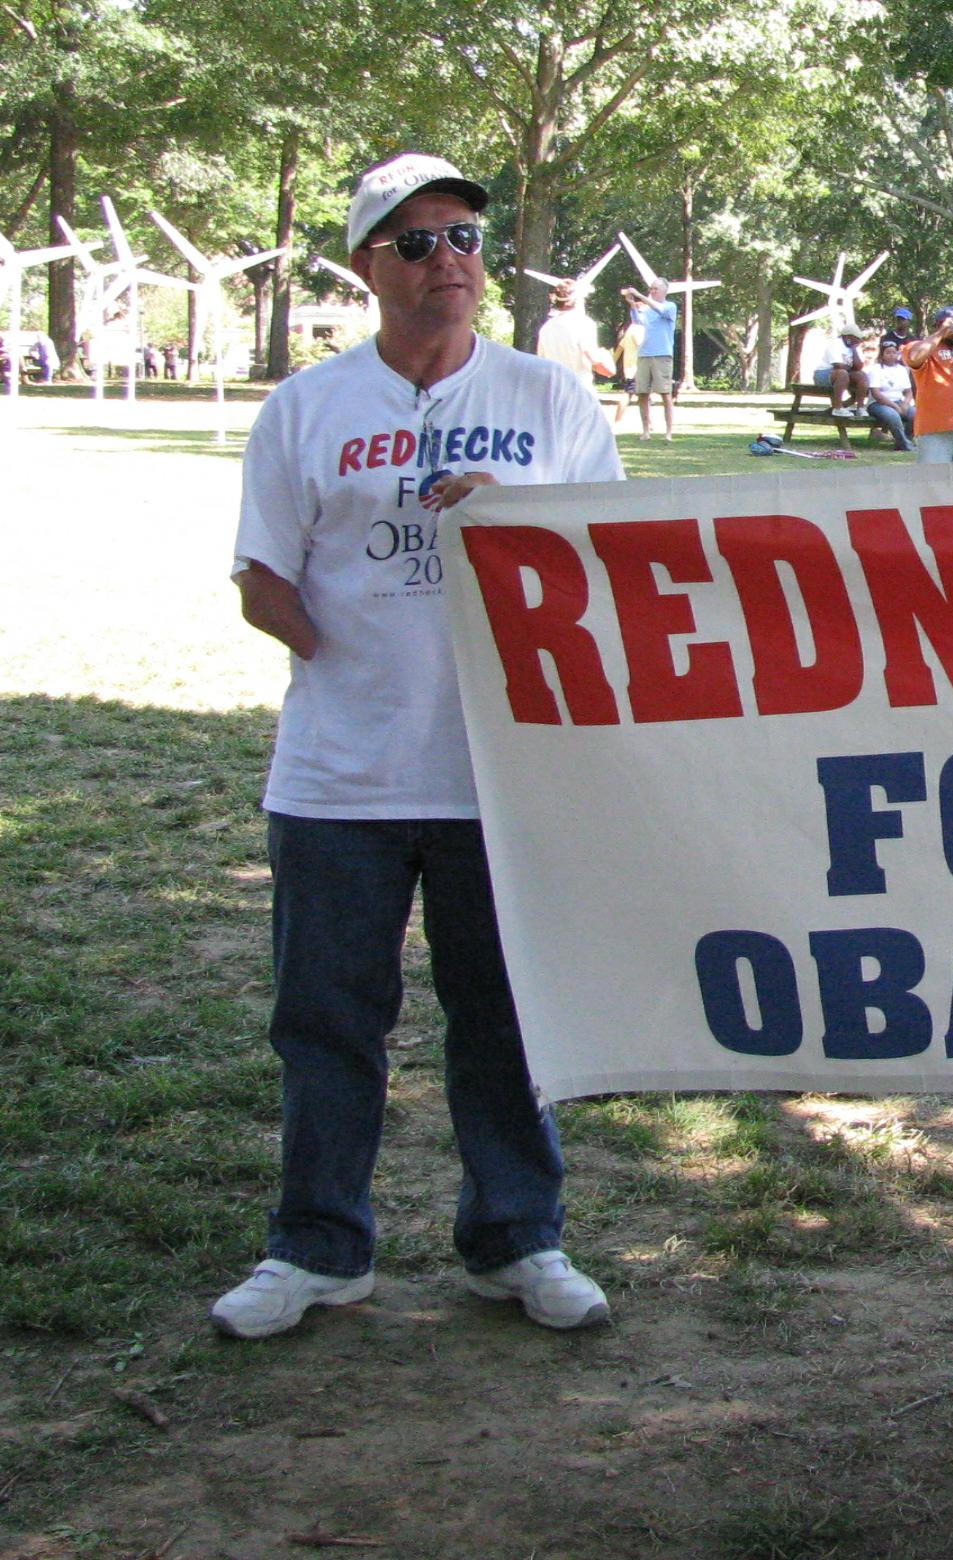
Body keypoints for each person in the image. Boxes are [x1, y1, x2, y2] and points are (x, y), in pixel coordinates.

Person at [212, 152, 622, 1342]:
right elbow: (260, 578)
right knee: (328, 1020)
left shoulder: (551, 401)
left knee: (503, 1016)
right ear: (365, 269)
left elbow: (603, 567)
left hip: (501, 773)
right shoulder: (306, 407)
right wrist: (352, 657)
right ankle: (317, 1249)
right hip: (338, 778)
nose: (447, 261)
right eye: (416, 243)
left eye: (465, 240)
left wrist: (512, 524)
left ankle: (518, 1238)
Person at [905, 306, 953, 464]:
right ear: (939, 325)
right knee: (933, 483)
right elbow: (914, 357)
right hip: (935, 428)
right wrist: (941, 333)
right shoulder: (921, 346)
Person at [536, 281, 619, 426]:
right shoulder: (584, 324)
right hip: (580, 391)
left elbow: (541, 362)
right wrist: (608, 364)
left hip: (555, 394)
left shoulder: (546, 328)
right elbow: (595, 360)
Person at [621, 279, 678, 439]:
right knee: (642, 393)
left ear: (664, 291)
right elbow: (638, 320)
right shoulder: (647, 309)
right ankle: (646, 431)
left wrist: (640, 295)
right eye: (651, 288)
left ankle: (668, 432)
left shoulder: (670, 306)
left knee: (665, 393)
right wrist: (632, 304)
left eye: (655, 289)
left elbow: (660, 310)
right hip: (644, 354)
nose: (652, 291)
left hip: (662, 354)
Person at [865, 339, 917, 452]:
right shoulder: (876, 369)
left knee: (915, 414)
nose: (891, 355)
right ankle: (906, 445)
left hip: (898, 401)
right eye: (888, 352)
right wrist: (894, 406)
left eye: (894, 352)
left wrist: (905, 404)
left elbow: (908, 391)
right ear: (882, 355)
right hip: (878, 404)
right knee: (893, 416)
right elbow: (876, 393)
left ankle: (905, 441)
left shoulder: (902, 370)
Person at [812, 326, 868, 416]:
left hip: (845, 374)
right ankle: (837, 408)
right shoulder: (835, 344)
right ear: (847, 337)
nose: (859, 340)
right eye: (856, 338)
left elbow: (859, 366)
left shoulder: (855, 347)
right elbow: (838, 365)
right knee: (842, 373)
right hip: (824, 374)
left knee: (862, 375)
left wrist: (854, 350)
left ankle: (860, 408)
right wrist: (853, 368)